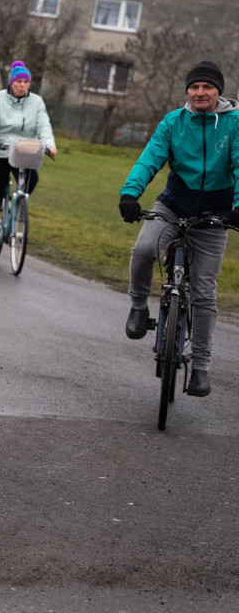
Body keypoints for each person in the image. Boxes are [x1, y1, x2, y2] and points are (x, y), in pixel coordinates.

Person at [118, 60, 239, 398]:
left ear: (219, 91)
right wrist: (130, 193)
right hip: (173, 205)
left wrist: (238, 208)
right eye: (195, 87)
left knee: (203, 293)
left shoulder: (235, 124)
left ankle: (200, 367)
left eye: (208, 87)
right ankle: (139, 306)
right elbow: (149, 159)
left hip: (215, 215)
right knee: (143, 250)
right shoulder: (173, 122)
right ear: (188, 91)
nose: (201, 93)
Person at [0, 60, 57, 254]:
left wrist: (49, 144)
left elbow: (44, 125)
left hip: (24, 150)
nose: (22, 85)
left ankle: (18, 207)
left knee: (33, 180)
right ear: (11, 82)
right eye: (19, 81)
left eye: (26, 82)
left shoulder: (36, 102)